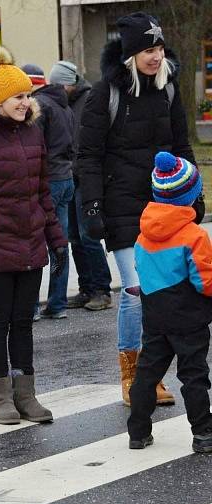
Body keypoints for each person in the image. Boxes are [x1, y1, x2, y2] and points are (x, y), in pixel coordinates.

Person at [76, 11, 194, 406]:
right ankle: (131, 375)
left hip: (163, 206)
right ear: (130, 54)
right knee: (134, 290)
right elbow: (88, 155)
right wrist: (91, 205)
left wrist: (194, 191)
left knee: (164, 292)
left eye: (159, 47)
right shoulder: (104, 94)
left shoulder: (168, 88)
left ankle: (153, 375)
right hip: (122, 206)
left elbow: (182, 145)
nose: (155, 56)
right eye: (147, 49)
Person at [0, 46, 68, 425]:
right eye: (18, 97)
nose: (26, 102)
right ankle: (0, 398)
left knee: (24, 321)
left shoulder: (34, 133)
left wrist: (56, 239)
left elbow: (42, 191)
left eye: (27, 96)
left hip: (30, 240)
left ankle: (27, 394)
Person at [127, 152, 212, 454]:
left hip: (155, 316)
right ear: (190, 196)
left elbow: (143, 273)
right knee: (193, 375)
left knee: (148, 373)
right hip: (188, 318)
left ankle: (137, 432)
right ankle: (203, 433)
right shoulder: (194, 236)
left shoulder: (143, 236)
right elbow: (204, 281)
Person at [49, 60, 113, 312]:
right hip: (72, 177)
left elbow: (84, 144)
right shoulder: (67, 102)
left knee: (88, 236)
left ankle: (101, 289)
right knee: (74, 237)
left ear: (69, 82)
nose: (56, 89)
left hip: (86, 178)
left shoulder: (87, 101)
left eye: (59, 84)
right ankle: (86, 287)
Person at [23, 63, 75, 320]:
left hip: (49, 181)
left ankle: (31, 306)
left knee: (35, 242)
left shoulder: (39, 107)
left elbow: (35, 147)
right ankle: (57, 304)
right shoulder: (64, 105)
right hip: (66, 178)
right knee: (59, 243)